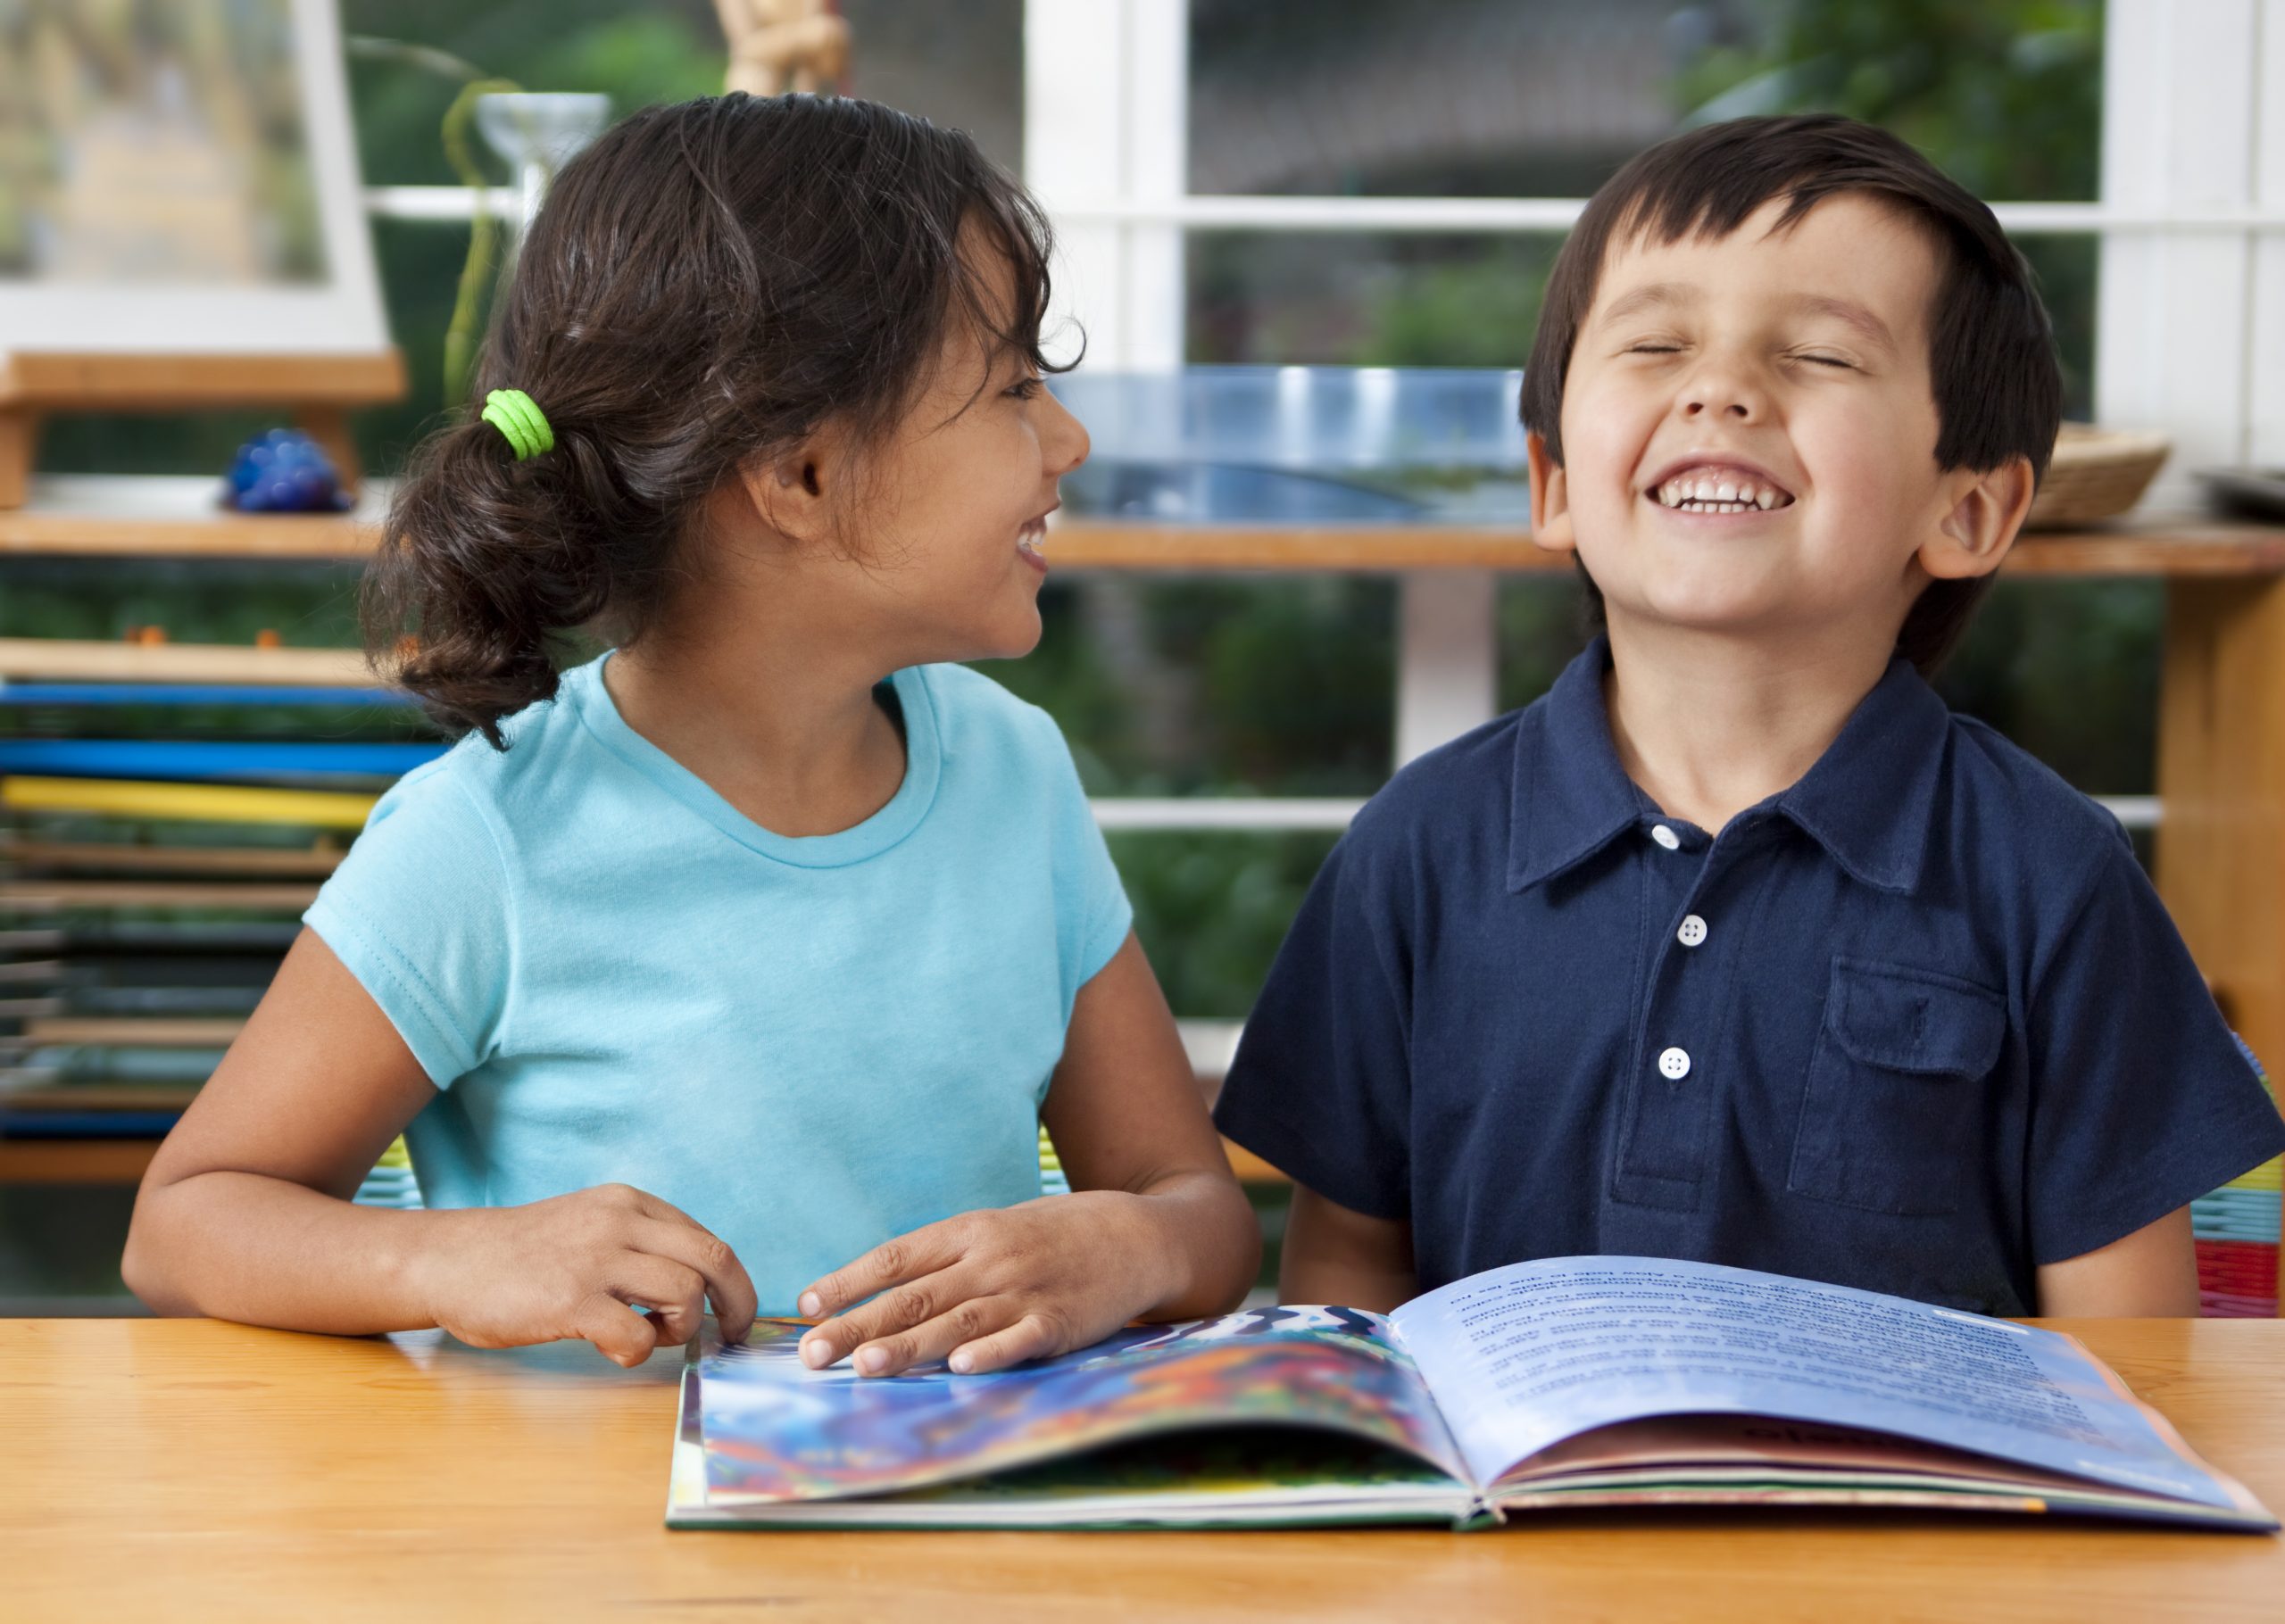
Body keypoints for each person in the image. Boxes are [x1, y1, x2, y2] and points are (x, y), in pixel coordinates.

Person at [122, 94, 1259, 1374]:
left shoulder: (1017, 773)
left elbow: (1198, 1210)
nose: (1068, 438)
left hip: (951, 1550)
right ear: (801, 479)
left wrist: (1131, 1246)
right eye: (1011, 389)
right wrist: (447, 1261)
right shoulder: (491, 835)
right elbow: (184, 1221)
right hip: (587, 1562)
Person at [1215, 113, 2285, 1319]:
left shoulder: (2052, 874)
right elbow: (1351, 1275)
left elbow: (2130, 1356)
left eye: (1819, 357)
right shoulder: (1418, 848)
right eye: (1659, 343)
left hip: (1922, 1514)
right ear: (1555, 481)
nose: (1720, 390)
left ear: (1972, 511)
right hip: (1507, 1511)